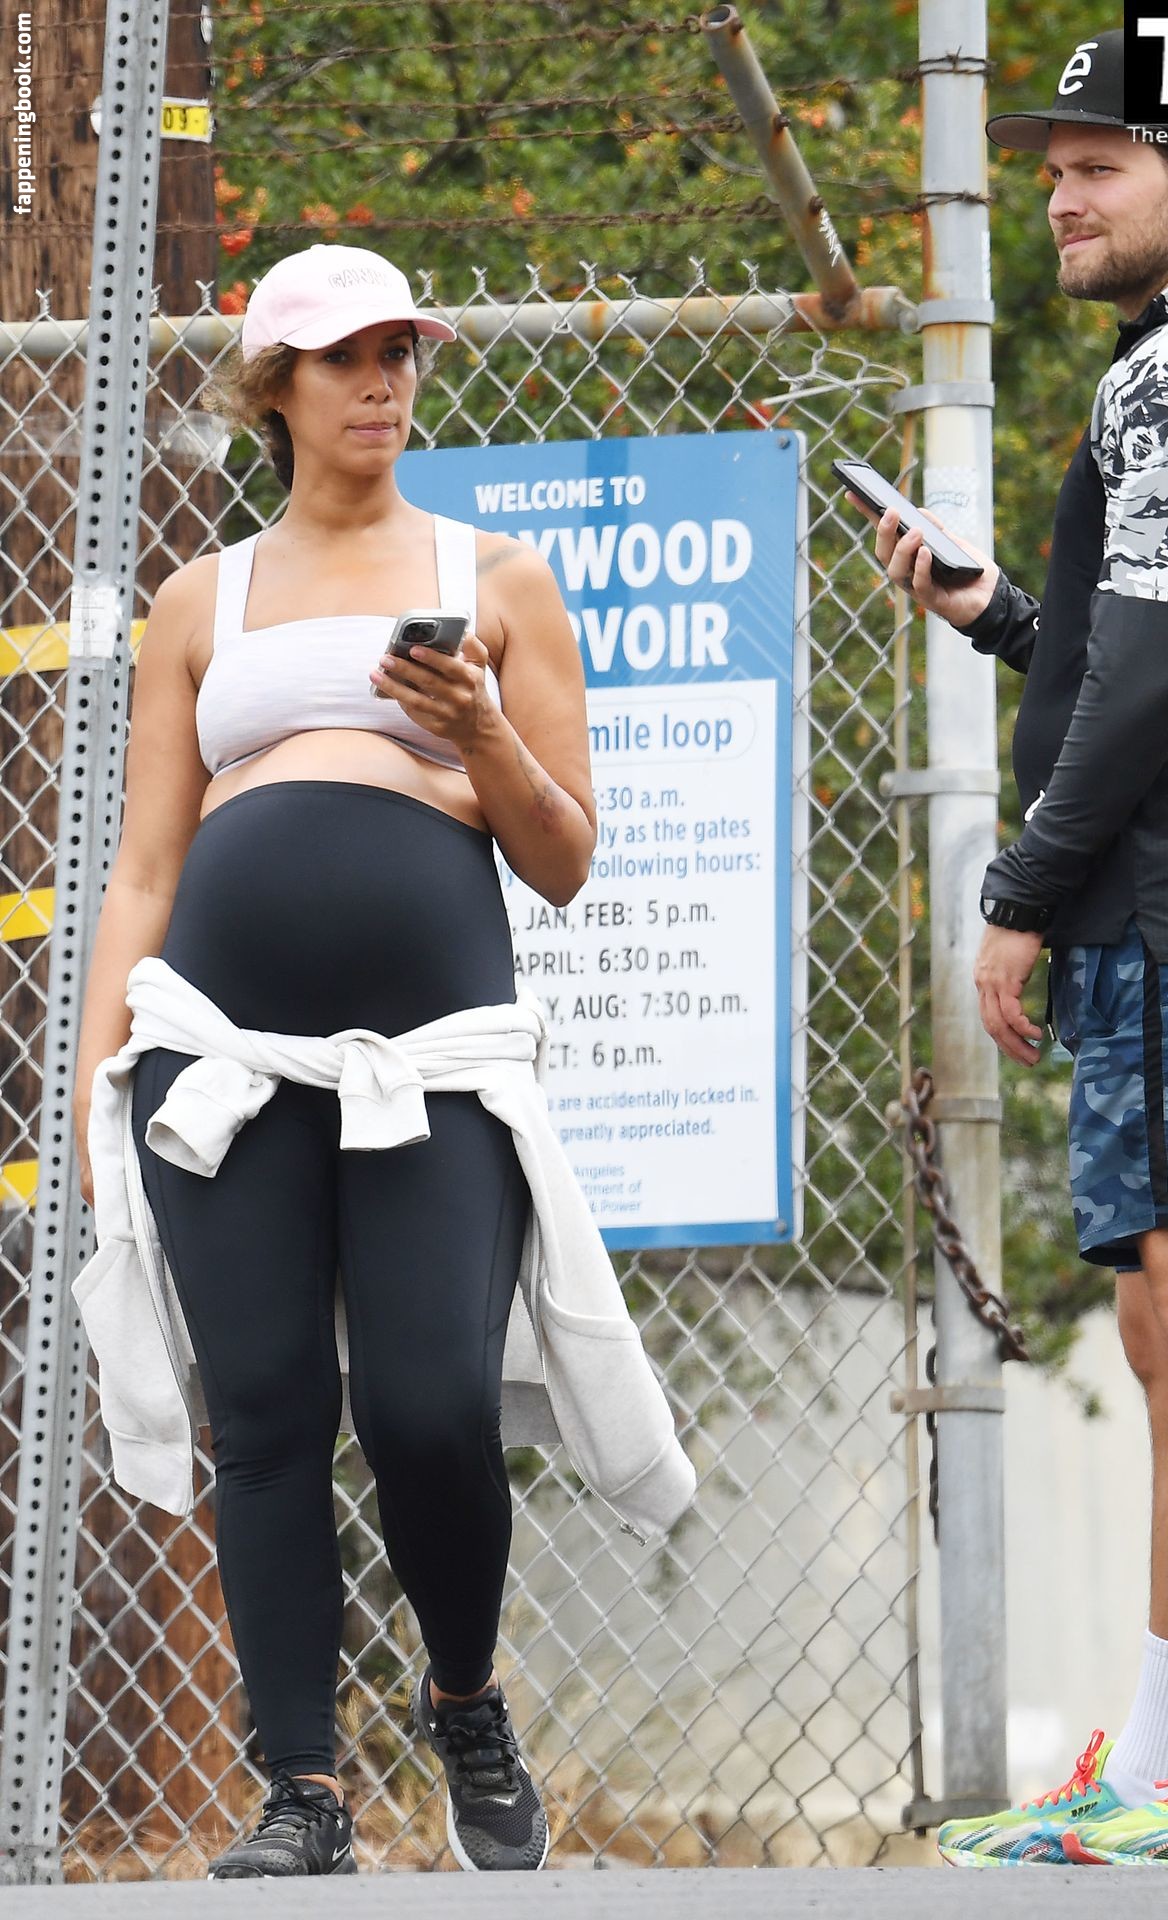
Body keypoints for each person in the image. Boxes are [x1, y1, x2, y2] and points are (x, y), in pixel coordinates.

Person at [857, 27, 1168, 1869]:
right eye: (1054, 168)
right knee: (1167, 1331)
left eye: (1101, 166)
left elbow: (1150, 689)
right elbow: (1164, 652)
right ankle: (1162, 1758)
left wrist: (1019, 892)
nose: (1062, 198)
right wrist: (1002, 611)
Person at [72, 242, 612, 1877]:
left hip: (428, 1060)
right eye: (346, 357)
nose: (382, 382)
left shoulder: (496, 579)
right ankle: (302, 1790)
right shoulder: (202, 600)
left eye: (401, 353)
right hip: (221, 1060)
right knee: (266, 1414)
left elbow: (564, 859)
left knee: (429, 1405)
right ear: (278, 388)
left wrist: (479, 727)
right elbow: (146, 869)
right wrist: (97, 1083)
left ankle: (464, 1700)